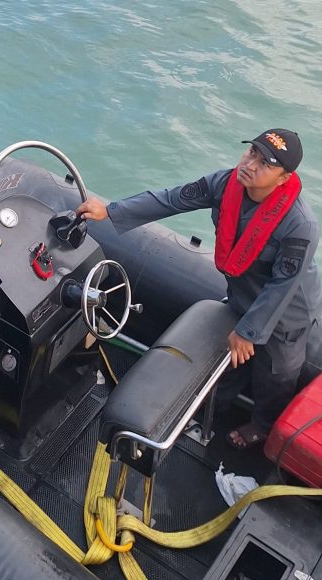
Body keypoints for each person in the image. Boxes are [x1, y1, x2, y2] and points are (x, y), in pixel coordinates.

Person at [77, 128, 322, 450]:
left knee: (276, 372)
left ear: (283, 178)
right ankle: (217, 404)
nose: (250, 164)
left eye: (265, 163)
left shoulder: (298, 225)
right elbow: (172, 198)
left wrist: (249, 330)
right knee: (233, 357)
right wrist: (112, 210)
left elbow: (284, 285)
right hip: (243, 291)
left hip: (286, 312)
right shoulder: (225, 184)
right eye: (251, 153)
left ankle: (261, 426)